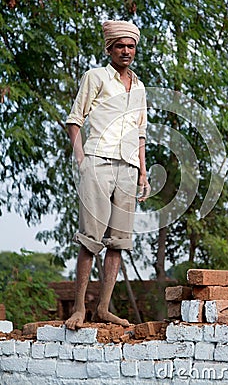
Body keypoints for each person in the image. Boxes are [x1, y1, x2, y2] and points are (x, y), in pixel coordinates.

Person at [65, 20, 150, 330]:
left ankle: (103, 308)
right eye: (120, 46)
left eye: (130, 46)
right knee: (90, 240)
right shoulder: (96, 77)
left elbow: (141, 132)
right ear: (110, 49)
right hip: (98, 162)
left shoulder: (139, 87)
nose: (125, 51)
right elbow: (75, 119)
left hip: (129, 167)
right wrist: (82, 159)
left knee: (118, 243)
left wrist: (143, 171)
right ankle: (78, 308)